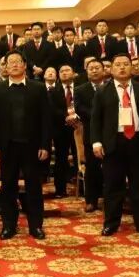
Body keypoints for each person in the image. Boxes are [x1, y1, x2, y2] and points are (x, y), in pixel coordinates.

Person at [91, 54, 139, 236]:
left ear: (132, 67)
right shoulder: (102, 91)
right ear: (111, 69)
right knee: (113, 186)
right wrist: (96, 142)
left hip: (138, 141)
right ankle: (111, 223)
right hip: (113, 142)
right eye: (118, 65)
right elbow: (95, 120)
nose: (122, 68)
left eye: (126, 64)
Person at [0, 51, 51, 240]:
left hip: (32, 146)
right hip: (7, 147)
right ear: (5, 67)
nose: (14, 65)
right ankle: (9, 225)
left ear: (24, 65)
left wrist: (45, 145)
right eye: (10, 62)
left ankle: (36, 226)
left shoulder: (38, 88)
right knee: (8, 188)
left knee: (34, 187)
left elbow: (46, 119)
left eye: (18, 62)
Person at [74, 60, 105, 212]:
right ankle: (91, 200)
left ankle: (111, 198)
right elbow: (79, 109)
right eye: (91, 68)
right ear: (86, 72)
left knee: (112, 168)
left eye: (97, 68)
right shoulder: (80, 89)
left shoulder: (111, 87)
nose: (94, 70)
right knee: (92, 169)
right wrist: (98, 115)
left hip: (111, 133)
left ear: (103, 70)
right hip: (91, 133)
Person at [49, 64, 79, 199]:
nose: (64, 73)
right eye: (61, 71)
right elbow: (52, 109)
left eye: (67, 70)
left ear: (73, 73)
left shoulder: (80, 88)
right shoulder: (53, 91)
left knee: (80, 158)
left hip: (79, 127)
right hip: (61, 128)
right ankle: (60, 189)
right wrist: (67, 117)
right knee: (61, 159)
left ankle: (83, 188)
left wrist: (76, 117)